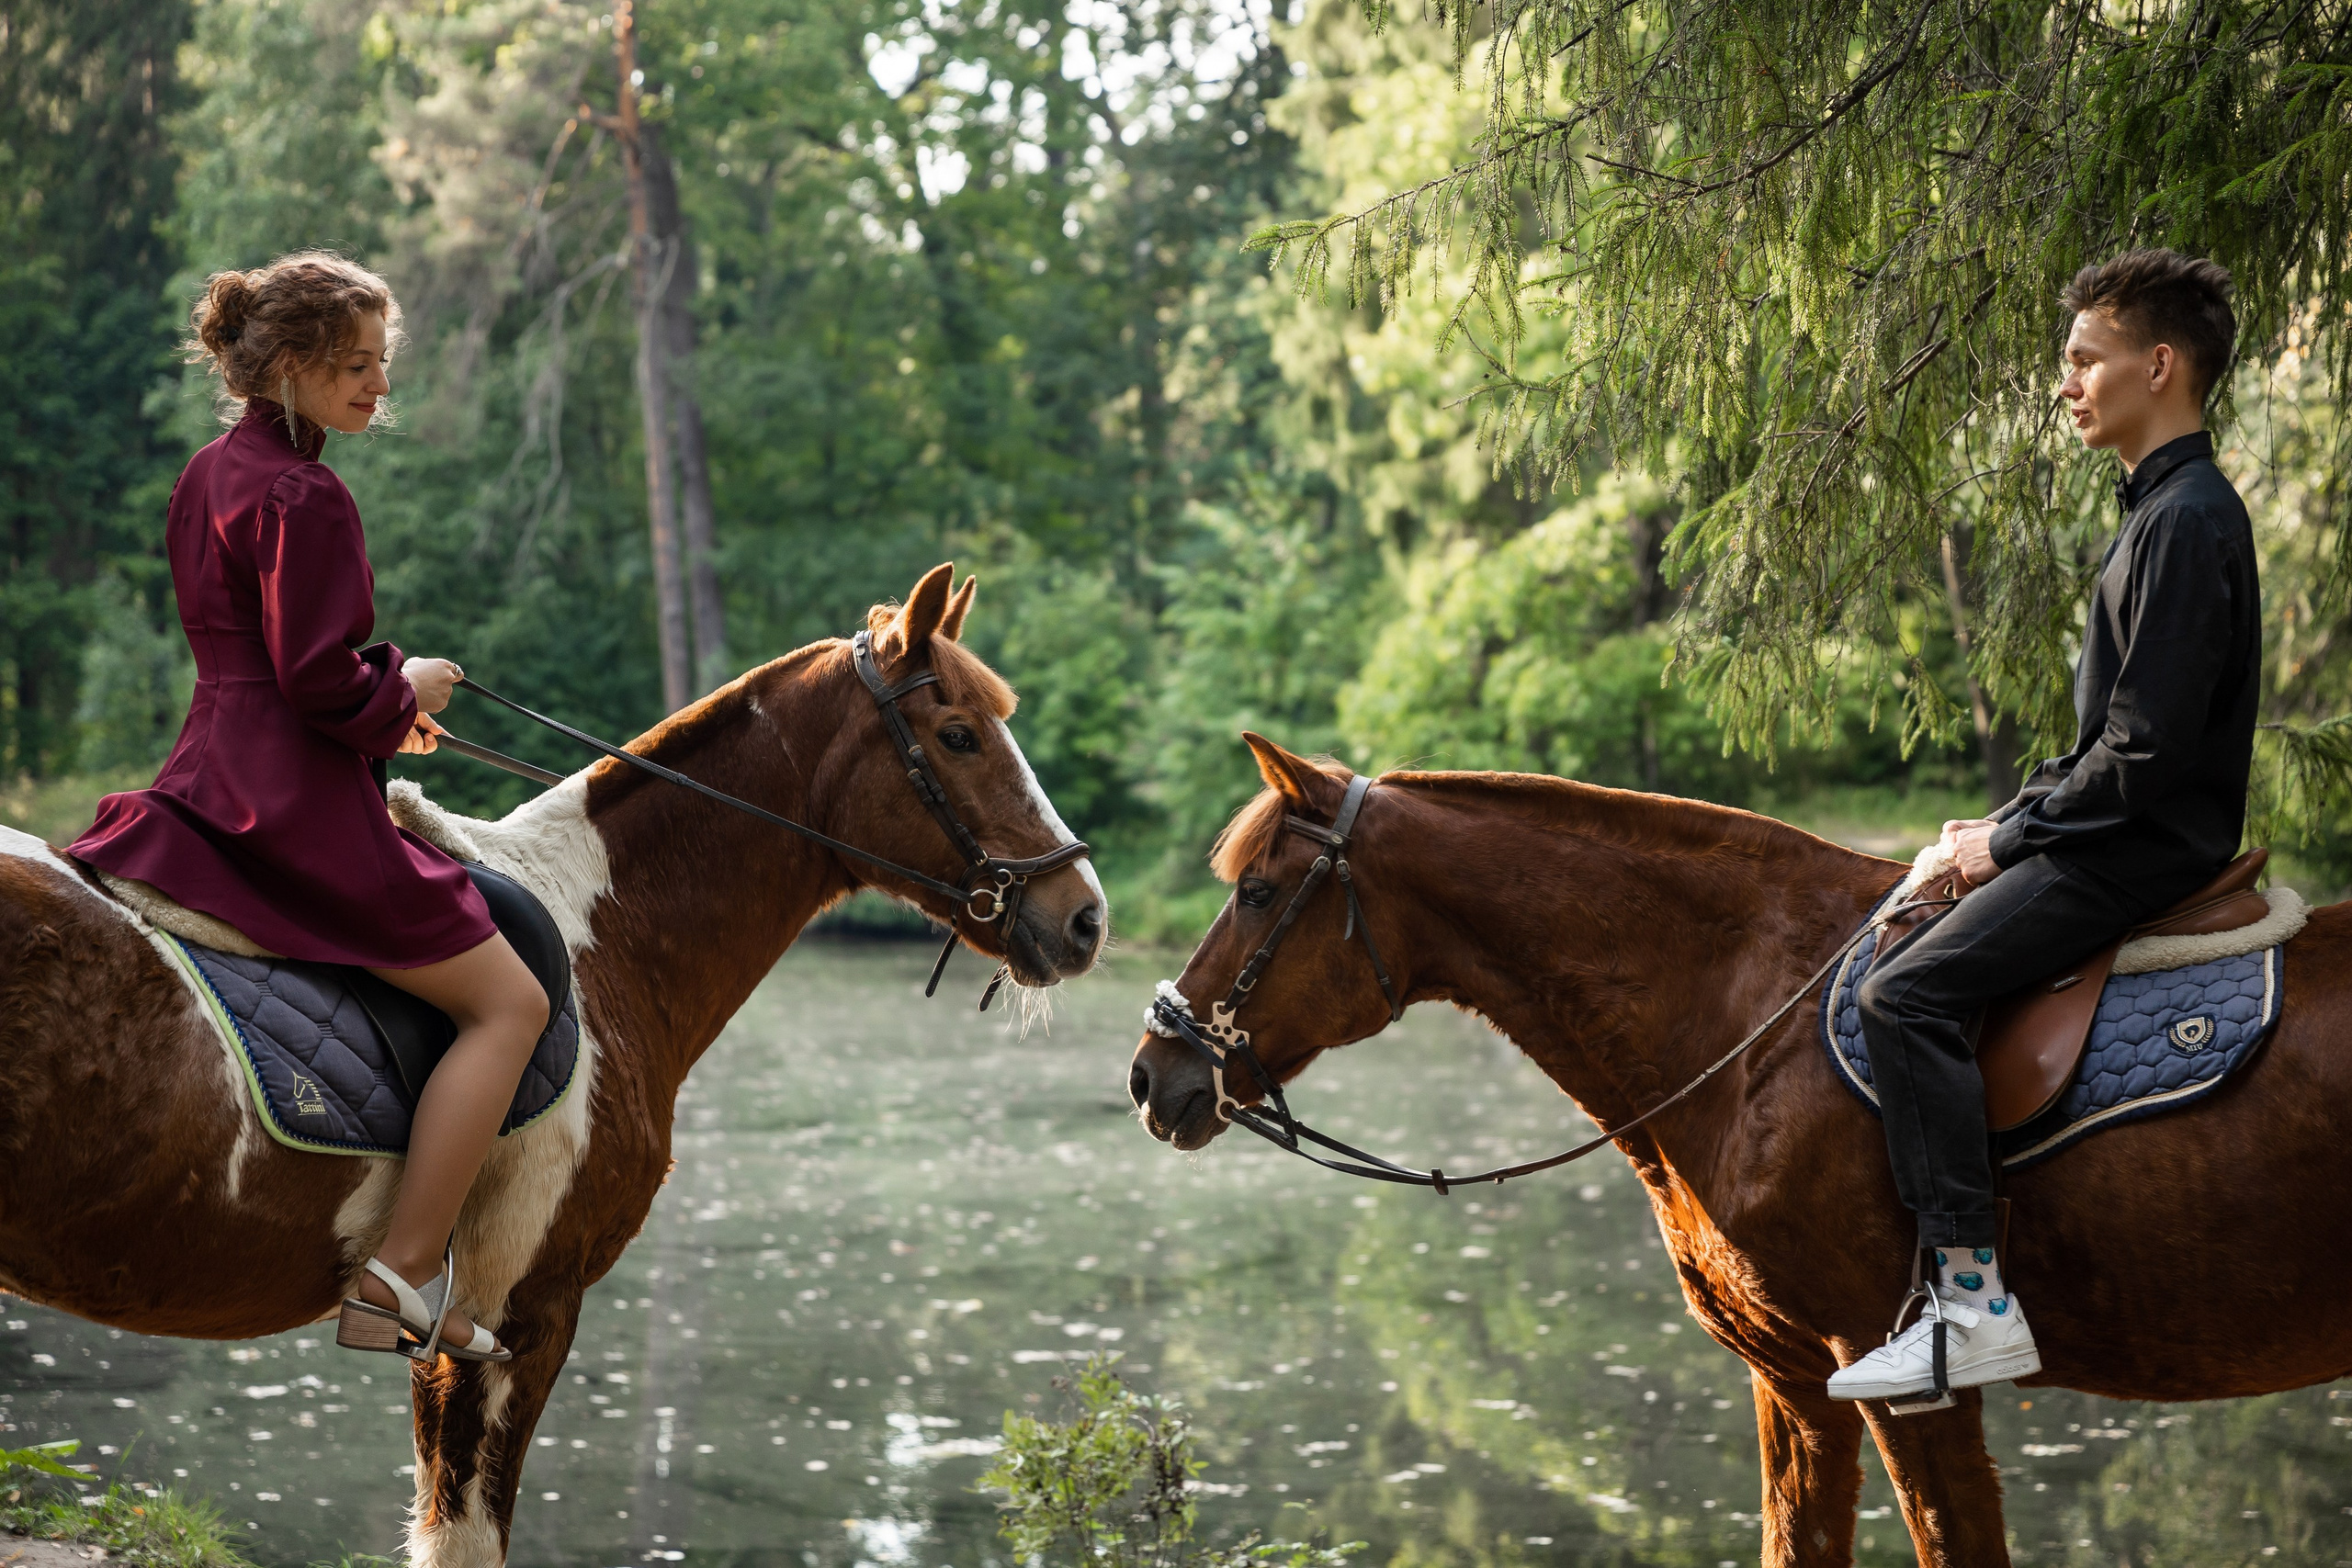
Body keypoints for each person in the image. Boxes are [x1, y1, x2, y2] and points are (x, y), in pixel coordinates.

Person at [69, 253, 548, 1363]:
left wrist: (383, 704)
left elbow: (260, 657)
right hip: (291, 805)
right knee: (509, 1006)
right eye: (354, 363)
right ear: (287, 366)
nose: (379, 384)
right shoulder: (305, 492)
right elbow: (318, 682)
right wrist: (404, 690)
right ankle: (402, 1272)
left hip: (209, 773)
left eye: (381, 361)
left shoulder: (208, 472)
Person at [1827, 250, 2262, 1402]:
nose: (2064, 385)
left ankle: (1971, 1304)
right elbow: (2104, 744)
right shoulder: (2162, 511)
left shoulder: (2183, 521)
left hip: (2135, 853)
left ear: (2156, 365)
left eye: (2082, 360)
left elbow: (2143, 757)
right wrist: (1997, 820)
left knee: (1902, 996)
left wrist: (2008, 846)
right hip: (2116, 831)